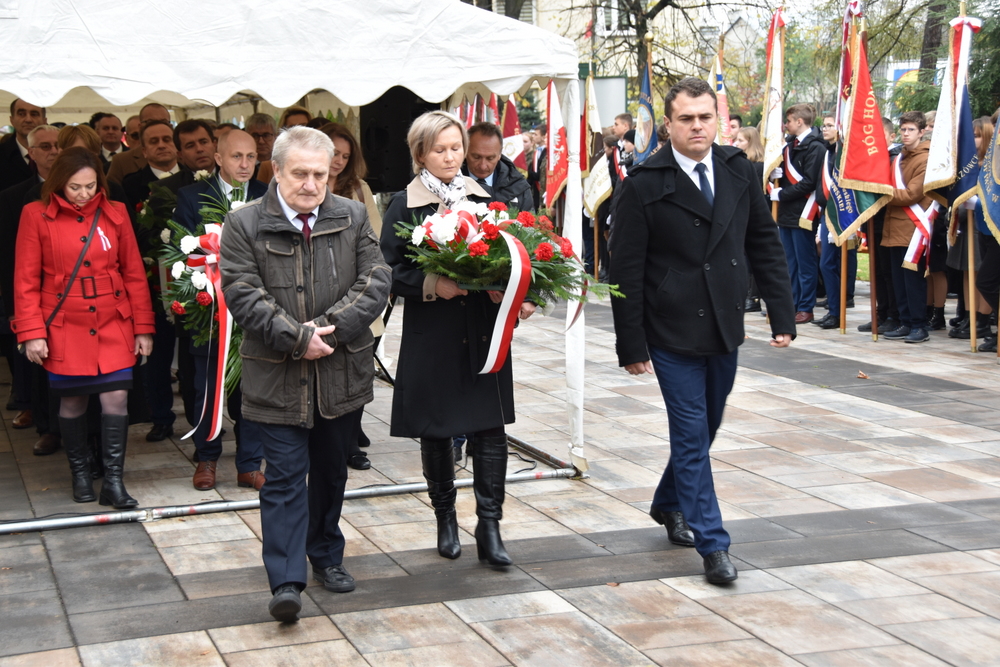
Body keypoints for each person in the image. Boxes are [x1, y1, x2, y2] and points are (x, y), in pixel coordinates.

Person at [609, 78, 795, 585]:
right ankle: (713, 543)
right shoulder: (644, 182)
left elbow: (764, 243)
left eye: (705, 117)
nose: (697, 126)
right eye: (686, 118)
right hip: (670, 330)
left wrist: (781, 313)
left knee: (706, 427)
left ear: (719, 120)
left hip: (724, 325)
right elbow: (623, 270)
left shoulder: (740, 170)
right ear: (668, 124)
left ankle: (668, 502)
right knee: (690, 434)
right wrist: (631, 342)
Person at [220, 126, 391, 622]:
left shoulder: (353, 214)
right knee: (285, 481)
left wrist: (328, 331)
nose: (313, 184)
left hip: (340, 374)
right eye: (301, 173)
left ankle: (326, 555)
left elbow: (375, 279)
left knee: (331, 475)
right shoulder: (244, 223)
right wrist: (298, 337)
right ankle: (287, 580)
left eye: (321, 173)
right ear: (277, 171)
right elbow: (243, 292)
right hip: (276, 375)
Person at [381, 110, 536, 568]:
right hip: (434, 333)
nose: (450, 157)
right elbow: (388, 270)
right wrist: (433, 284)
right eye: (440, 149)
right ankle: (445, 518)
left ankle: (490, 525)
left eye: (455, 148)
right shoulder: (403, 205)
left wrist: (515, 292)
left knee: (490, 428)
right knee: (437, 428)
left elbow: (513, 255)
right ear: (420, 154)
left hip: (483, 332)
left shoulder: (484, 197)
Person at [12, 147, 155, 507]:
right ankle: (80, 475)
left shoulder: (116, 212)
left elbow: (135, 274)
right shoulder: (35, 215)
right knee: (73, 401)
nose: (84, 195)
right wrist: (32, 333)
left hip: (113, 320)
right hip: (63, 324)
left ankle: (114, 483)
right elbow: (25, 281)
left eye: (91, 186)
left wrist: (143, 328)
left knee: (117, 397)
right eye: (75, 187)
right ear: (60, 183)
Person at [175, 130, 267, 491]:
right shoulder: (192, 197)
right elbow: (180, 257)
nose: (245, 165)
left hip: (255, 312)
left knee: (253, 390)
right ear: (218, 159)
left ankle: (248, 464)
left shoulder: (267, 195)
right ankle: (207, 459)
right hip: (210, 312)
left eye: (251, 157)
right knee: (206, 388)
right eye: (236, 157)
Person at [320, 121, 382, 471]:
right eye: (334, 153)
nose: (339, 161)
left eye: (345, 155)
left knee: (357, 372)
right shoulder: (302, 184)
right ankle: (328, 443)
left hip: (358, 295)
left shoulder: (359, 189)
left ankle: (350, 442)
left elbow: (376, 237)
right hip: (317, 297)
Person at [0, 125, 61, 452]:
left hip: (73, 301)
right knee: (39, 369)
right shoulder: (15, 198)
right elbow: (11, 261)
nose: (53, 151)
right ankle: (48, 427)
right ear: (32, 153)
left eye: (58, 146)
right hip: (36, 300)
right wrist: (16, 310)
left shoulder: (83, 191)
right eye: (45, 146)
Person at [770, 104, 826, 324]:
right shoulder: (789, 145)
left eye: (789, 121)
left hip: (804, 211)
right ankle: (790, 304)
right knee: (789, 263)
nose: (786, 125)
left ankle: (805, 307)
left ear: (799, 122)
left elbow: (809, 182)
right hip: (787, 213)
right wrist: (775, 174)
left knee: (805, 263)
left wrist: (782, 194)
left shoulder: (816, 147)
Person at [882, 111, 933, 343]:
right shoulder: (898, 157)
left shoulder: (925, 158)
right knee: (898, 281)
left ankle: (918, 325)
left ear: (922, 132)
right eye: (903, 129)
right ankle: (904, 321)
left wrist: (881, 194)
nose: (905, 134)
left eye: (911, 129)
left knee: (913, 281)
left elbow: (912, 194)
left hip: (913, 229)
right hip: (893, 227)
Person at [813, 115, 857, 330]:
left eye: (830, 125)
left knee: (834, 263)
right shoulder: (827, 151)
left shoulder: (844, 154)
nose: (825, 129)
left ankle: (838, 310)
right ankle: (833, 309)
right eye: (824, 125)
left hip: (840, 213)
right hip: (826, 213)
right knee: (826, 263)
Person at [463, 122, 534, 211]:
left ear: (499, 155)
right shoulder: (448, 183)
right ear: (465, 151)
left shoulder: (518, 187)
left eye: (490, 158)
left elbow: (530, 222)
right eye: (476, 157)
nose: (483, 166)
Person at [733, 126, 765, 313]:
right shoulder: (740, 163)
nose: (737, 144)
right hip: (741, 214)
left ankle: (753, 297)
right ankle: (746, 294)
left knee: (752, 259)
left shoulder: (758, 166)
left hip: (753, 215)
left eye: (741, 141)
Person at [121, 120, 179, 210]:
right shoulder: (130, 186)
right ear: (144, 151)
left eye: (167, 140)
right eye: (154, 141)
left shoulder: (194, 177)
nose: (161, 145)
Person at [107, 103, 172, 184]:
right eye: (150, 122)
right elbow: (111, 193)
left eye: (163, 122)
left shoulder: (183, 156)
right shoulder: (122, 161)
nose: (157, 126)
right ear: (140, 127)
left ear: (170, 126)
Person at [1, 100, 46, 192]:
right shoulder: (2, 154)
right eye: (21, 114)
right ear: (12, 120)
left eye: (34, 114)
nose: (28, 119)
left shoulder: (58, 157)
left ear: (44, 121)